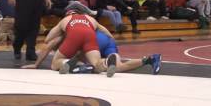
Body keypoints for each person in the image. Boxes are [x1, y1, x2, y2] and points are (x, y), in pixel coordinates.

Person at [22, 29, 162, 75]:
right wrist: (111, 38)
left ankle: (86, 67)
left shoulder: (62, 33)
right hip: (105, 39)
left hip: (93, 42)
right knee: (118, 66)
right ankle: (149, 59)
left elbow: (47, 46)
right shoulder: (82, 24)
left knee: (86, 60)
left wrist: (36, 64)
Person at [41, 10, 118, 77]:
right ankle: (106, 62)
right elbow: (105, 31)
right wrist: (112, 39)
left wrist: (62, 33)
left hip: (74, 35)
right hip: (90, 36)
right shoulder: (90, 18)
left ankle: (66, 62)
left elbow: (48, 39)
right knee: (96, 63)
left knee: (54, 64)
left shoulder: (65, 19)